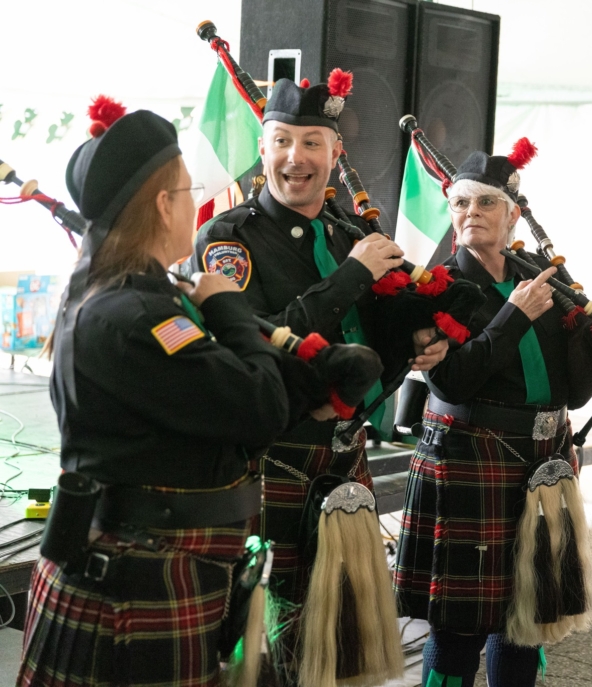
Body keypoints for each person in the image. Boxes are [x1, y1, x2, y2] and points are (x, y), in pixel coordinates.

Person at [20, 100, 379, 686]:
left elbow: (222, 400)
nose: (198, 200)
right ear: (165, 206)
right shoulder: (136, 315)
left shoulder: (147, 297)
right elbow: (254, 405)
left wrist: (313, 384)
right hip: (138, 583)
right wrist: (229, 307)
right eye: (188, 189)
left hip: (170, 566)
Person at [191, 73, 448, 673]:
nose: (295, 157)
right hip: (269, 457)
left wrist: (418, 342)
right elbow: (252, 343)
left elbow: (372, 341)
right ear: (262, 149)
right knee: (258, 640)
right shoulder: (228, 241)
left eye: (313, 142)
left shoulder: (349, 233)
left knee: (333, 640)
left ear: (336, 154)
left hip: (344, 454)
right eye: (282, 140)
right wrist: (352, 276)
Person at [393, 142, 592, 687]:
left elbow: (573, 383)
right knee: (458, 627)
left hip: (542, 459)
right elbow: (451, 381)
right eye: (459, 204)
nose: (470, 215)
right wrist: (512, 315)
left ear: (512, 213)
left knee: (527, 621)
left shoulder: (540, 277)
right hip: (468, 460)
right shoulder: (440, 287)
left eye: (484, 204)